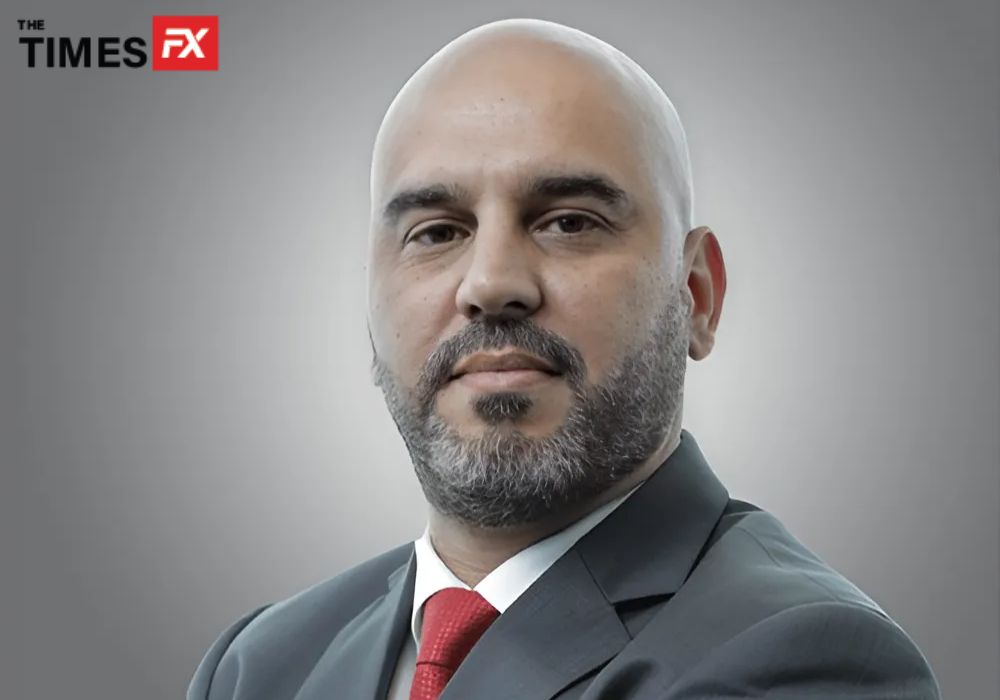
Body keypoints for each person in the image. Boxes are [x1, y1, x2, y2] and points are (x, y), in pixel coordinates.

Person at [187, 18, 940, 700]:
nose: (491, 284)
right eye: (437, 232)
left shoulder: (802, 660)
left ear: (697, 297)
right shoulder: (260, 666)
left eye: (569, 222)